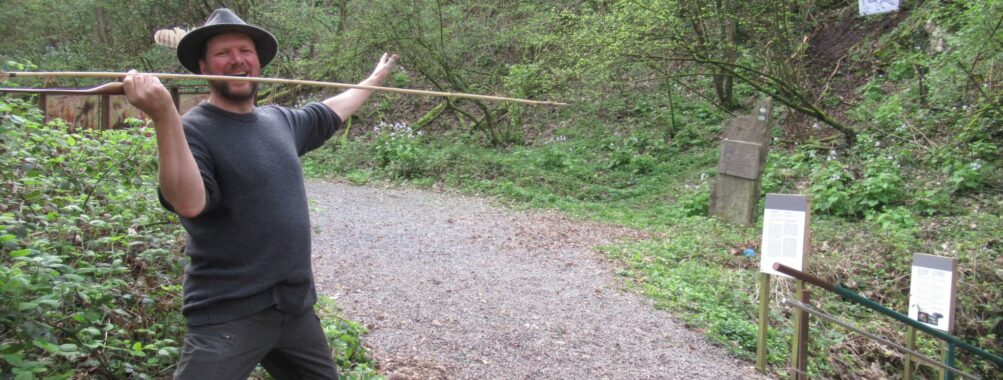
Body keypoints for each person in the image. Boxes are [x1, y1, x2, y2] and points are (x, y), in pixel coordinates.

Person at [122, 8, 396, 379]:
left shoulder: (279, 121)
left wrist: (374, 80)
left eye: (245, 51)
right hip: (230, 314)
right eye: (223, 53)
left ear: (259, 63)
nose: (237, 60)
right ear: (203, 67)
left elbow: (331, 111)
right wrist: (164, 116)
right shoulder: (192, 130)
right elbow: (187, 202)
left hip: (294, 311)